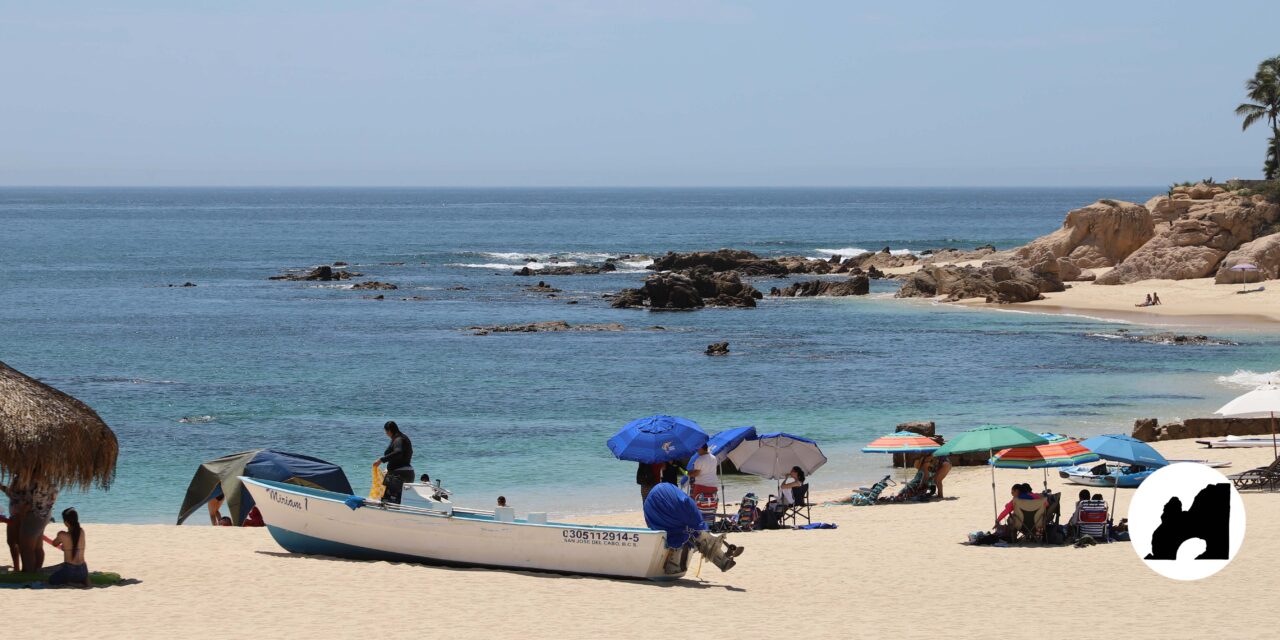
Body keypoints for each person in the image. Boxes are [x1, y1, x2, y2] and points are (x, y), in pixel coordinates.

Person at [19, 477, 57, 572]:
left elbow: (28, 504)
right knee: (38, 547)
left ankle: (29, 572)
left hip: (33, 517)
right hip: (45, 516)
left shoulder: (34, 485)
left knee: (27, 549)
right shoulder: (52, 485)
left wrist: (22, 514)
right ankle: (37, 570)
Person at [374, 420, 414, 505]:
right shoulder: (404, 438)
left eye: (386, 432)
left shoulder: (398, 439)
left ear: (389, 430)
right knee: (399, 502)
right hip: (409, 473)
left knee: (388, 503)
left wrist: (382, 460)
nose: (386, 434)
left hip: (398, 476)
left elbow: (398, 452)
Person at [47, 507, 89, 587]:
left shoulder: (62, 535)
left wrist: (63, 544)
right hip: (83, 570)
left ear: (66, 523)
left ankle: (70, 583)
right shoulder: (81, 532)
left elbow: (54, 543)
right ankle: (83, 581)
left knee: (51, 580)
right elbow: (74, 543)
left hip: (70, 571)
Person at [1, 477, 28, 572]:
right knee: (12, 542)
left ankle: (21, 568)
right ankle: (17, 567)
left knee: (16, 543)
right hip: (13, 518)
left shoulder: (24, 492)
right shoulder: (14, 492)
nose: (12, 484)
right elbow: (7, 491)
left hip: (18, 518)